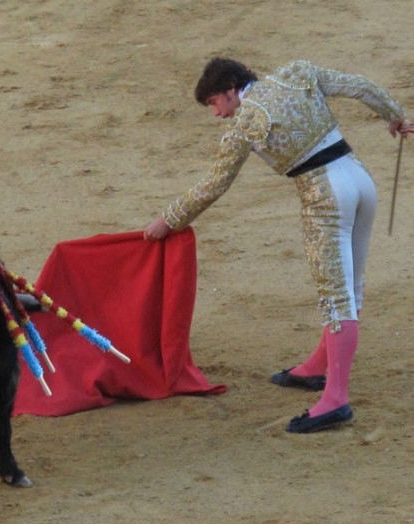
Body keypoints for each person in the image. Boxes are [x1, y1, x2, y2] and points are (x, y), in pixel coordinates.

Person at [143, 58, 411, 433]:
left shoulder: (245, 124)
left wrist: (169, 219)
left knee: (336, 297)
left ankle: (336, 399)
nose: (217, 114)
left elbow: (214, 186)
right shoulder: (297, 73)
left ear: (231, 89)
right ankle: (317, 367)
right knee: (352, 287)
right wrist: (396, 116)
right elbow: (360, 86)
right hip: (360, 179)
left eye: (214, 103)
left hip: (325, 196)